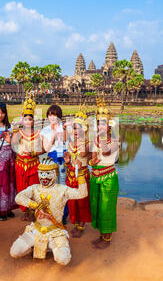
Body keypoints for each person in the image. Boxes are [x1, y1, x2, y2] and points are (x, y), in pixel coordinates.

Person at [9, 158, 88, 266]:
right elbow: (18, 197)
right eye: (41, 173)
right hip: (36, 230)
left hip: (55, 232)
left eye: (47, 173)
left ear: (55, 174)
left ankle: (59, 245)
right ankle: (34, 246)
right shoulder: (34, 188)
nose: (44, 177)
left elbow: (82, 193)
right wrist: (36, 205)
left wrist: (80, 174)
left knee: (63, 259)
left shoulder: (62, 189)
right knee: (14, 252)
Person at [89, 95, 119, 249]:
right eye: (98, 123)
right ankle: (101, 234)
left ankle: (107, 238)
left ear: (109, 126)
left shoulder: (114, 141)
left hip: (108, 178)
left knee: (107, 207)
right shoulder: (95, 140)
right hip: (95, 176)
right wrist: (91, 161)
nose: (100, 126)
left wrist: (100, 138)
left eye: (103, 124)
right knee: (97, 206)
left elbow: (106, 153)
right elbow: (93, 158)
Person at [11, 91, 43, 222]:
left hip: (33, 164)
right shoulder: (19, 133)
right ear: (22, 119)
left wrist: (34, 153)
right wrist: (13, 130)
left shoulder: (38, 133)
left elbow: (42, 149)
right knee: (22, 188)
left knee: (33, 187)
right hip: (20, 164)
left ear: (34, 120)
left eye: (30, 119)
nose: (27, 121)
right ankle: (25, 210)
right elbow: (13, 144)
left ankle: (33, 210)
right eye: (25, 119)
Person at [63, 104, 92, 238]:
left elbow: (83, 153)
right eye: (74, 128)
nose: (75, 131)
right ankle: (75, 223)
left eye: (79, 128)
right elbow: (68, 158)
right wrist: (67, 161)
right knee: (72, 201)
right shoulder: (69, 142)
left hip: (82, 176)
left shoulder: (86, 143)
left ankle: (81, 225)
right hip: (70, 176)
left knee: (82, 201)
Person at [40, 104, 69, 223]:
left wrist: (63, 130)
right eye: (50, 115)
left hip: (64, 158)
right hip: (52, 158)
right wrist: (53, 134)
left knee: (63, 186)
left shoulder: (64, 127)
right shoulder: (45, 130)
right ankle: (53, 213)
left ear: (59, 116)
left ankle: (64, 214)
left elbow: (67, 141)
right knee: (52, 186)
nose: (52, 118)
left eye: (55, 115)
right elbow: (46, 148)